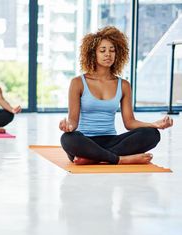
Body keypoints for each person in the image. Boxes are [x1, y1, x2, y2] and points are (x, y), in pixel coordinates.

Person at [59, 26, 173, 165]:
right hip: (85, 140)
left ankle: (95, 157)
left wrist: (153, 124)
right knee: (68, 139)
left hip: (112, 140)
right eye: (103, 50)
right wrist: (68, 126)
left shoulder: (123, 85)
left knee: (152, 134)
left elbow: (130, 123)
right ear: (93, 53)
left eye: (112, 50)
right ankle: (120, 159)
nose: (108, 54)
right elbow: (73, 121)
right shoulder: (78, 83)